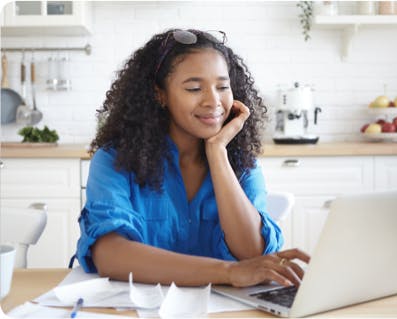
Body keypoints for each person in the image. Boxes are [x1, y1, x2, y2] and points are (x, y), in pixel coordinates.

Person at [75, 28, 310, 288]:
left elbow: (253, 253)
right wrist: (229, 272)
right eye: (195, 88)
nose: (214, 101)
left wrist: (217, 152)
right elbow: (111, 255)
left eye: (222, 86)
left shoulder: (242, 163)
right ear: (160, 94)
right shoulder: (114, 160)